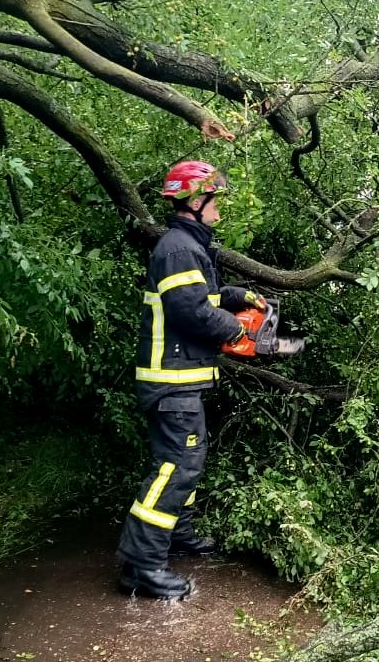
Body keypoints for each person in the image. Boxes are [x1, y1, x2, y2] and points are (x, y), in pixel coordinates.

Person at [117, 160, 266, 600]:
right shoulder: (179, 248)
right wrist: (237, 330)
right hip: (170, 383)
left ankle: (176, 535)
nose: (219, 209)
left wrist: (237, 297)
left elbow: (202, 297)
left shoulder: (188, 247)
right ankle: (141, 566)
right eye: (215, 200)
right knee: (175, 467)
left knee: (186, 464)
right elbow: (192, 312)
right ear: (195, 200)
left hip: (180, 380)